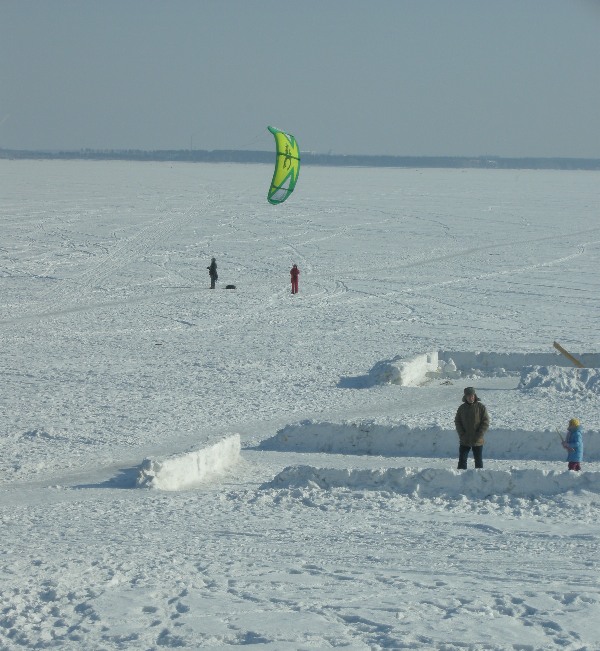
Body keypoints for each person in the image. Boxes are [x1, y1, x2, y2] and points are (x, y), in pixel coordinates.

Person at [454, 386, 490, 469]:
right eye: (469, 396)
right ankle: (461, 475)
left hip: (477, 439)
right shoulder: (461, 408)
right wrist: (462, 434)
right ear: (465, 397)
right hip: (465, 439)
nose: (471, 398)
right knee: (462, 461)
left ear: (475, 396)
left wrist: (479, 435)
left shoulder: (481, 407)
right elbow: (457, 421)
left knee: (478, 461)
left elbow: (485, 422)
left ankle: (479, 475)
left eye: (472, 396)